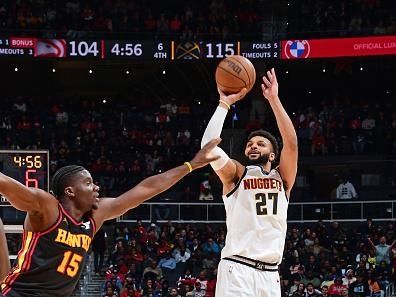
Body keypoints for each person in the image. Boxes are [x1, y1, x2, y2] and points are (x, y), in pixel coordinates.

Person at [0, 138, 221, 297]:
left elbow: (146, 188)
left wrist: (190, 165)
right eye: (87, 183)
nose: (96, 187)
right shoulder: (47, 207)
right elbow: (7, 184)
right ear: (69, 191)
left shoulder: (96, 215)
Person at [201, 68, 298, 297]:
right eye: (250, 143)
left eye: (261, 144)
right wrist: (224, 103)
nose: (254, 146)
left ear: (273, 155)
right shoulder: (237, 174)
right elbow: (208, 148)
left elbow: (291, 143)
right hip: (238, 268)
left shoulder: (282, 179)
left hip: (271, 274)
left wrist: (273, 100)